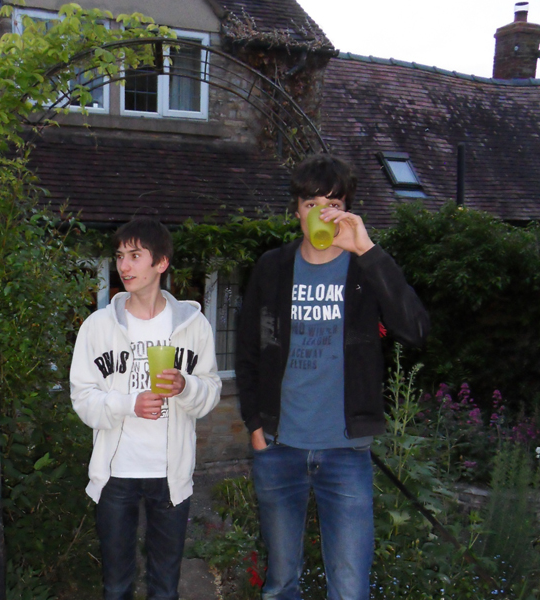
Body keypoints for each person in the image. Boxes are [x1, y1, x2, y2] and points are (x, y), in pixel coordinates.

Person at [235, 154, 430, 600]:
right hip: (279, 447)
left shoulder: (364, 269)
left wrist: (368, 250)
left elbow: (415, 330)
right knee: (280, 584)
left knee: (350, 589)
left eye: (333, 205)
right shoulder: (272, 268)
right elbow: (247, 353)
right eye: (311, 205)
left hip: (345, 452)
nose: (321, 215)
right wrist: (256, 427)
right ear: (296, 211)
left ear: (347, 211)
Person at [70, 217, 221, 600]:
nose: (124, 266)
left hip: (170, 475)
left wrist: (186, 387)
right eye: (120, 256)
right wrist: (128, 404)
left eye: (135, 256)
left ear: (161, 263)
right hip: (115, 475)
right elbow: (82, 398)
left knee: (164, 588)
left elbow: (211, 392)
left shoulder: (194, 326)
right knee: (116, 587)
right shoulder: (98, 327)